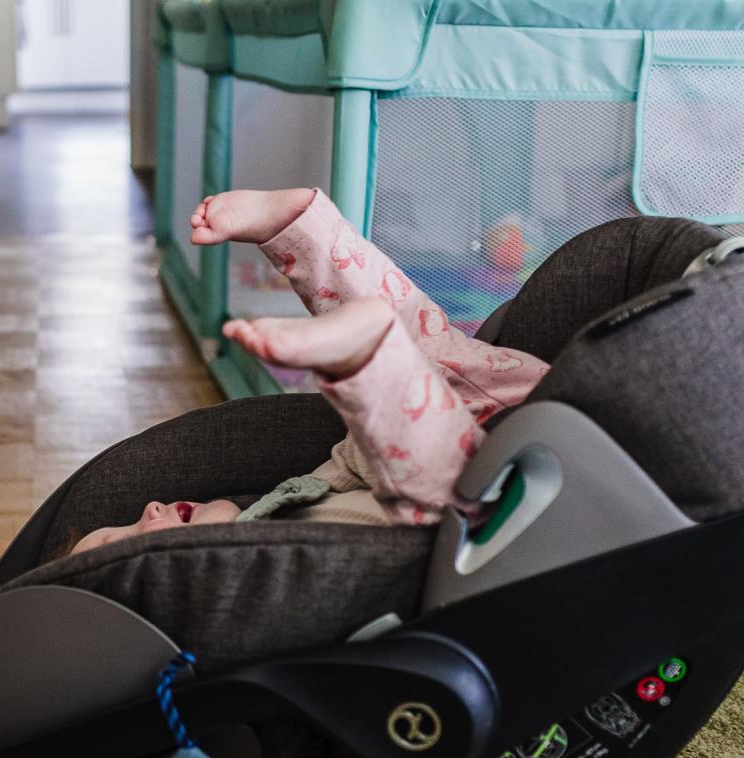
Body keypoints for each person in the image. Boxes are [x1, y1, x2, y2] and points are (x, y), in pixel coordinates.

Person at [72, 188, 550, 554]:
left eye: (120, 526)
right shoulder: (249, 573)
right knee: (434, 453)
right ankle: (364, 345)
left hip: (489, 414)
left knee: (424, 341)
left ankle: (300, 233)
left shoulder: (265, 527)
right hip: (489, 480)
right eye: (124, 541)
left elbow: (349, 472)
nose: (148, 509)